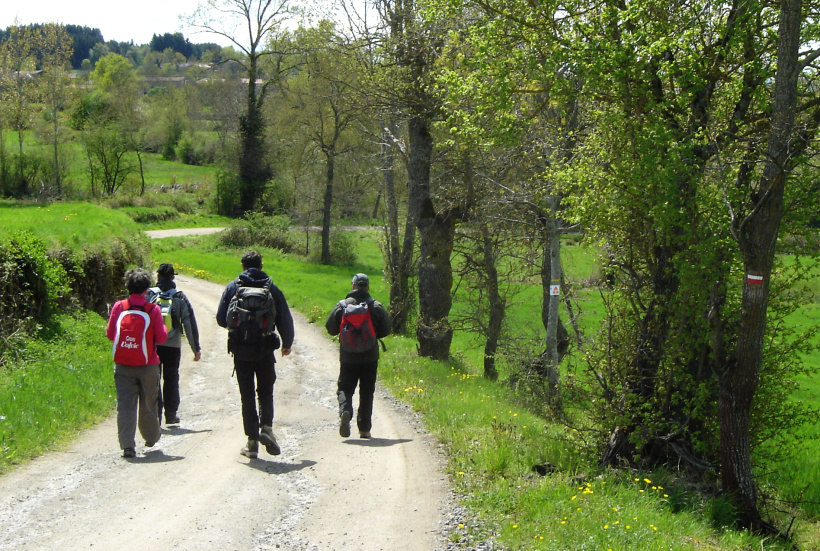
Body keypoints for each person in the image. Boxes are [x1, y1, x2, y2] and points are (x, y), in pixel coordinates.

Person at [216, 250, 294, 459]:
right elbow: (285, 318)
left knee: (247, 395)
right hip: (265, 348)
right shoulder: (271, 287)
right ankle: (266, 428)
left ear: (243, 265)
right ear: (261, 265)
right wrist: (287, 343)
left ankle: (251, 443)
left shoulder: (234, 287)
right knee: (265, 391)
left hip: (241, 350)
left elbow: (221, 319)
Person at [106, 268, 168, 458]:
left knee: (125, 405)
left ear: (128, 286)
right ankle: (150, 437)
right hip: (148, 365)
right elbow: (162, 338)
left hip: (123, 364)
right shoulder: (152, 309)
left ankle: (127, 446)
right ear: (146, 289)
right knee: (149, 402)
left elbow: (110, 334)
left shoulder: (119, 306)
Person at [325, 273, 391, 439]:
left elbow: (330, 328)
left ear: (353, 286)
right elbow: (386, 329)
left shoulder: (342, 306)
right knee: (367, 391)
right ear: (367, 287)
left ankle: (346, 410)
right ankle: (364, 429)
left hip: (348, 356)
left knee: (345, 388)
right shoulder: (375, 306)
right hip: (370, 357)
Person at [147, 263, 202, 425]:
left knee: (154, 379)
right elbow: (189, 324)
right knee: (171, 378)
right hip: (173, 345)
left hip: (153, 345)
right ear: (172, 278)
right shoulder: (179, 297)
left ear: (158, 277)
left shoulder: (149, 295)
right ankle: (170, 414)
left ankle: (156, 415)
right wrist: (196, 348)